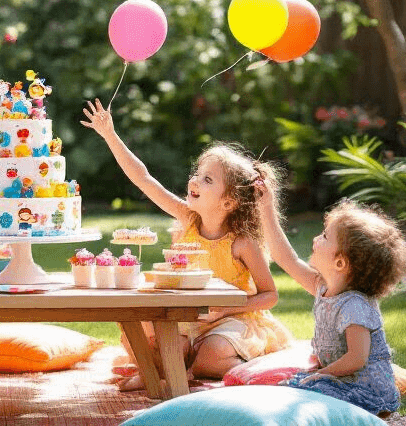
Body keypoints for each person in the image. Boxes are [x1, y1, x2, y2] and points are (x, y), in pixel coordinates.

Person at [81, 99, 292, 387]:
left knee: (211, 358)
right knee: (146, 338)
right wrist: (110, 135)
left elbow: (270, 295)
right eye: (198, 174)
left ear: (228, 201)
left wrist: (226, 310)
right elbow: (143, 179)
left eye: (207, 179)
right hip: (186, 318)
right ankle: (168, 370)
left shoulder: (242, 244)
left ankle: (199, 369)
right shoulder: (187, 219)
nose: (195, 180)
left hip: (231, 321)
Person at [256, 190, 406, 414]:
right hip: (338, 380)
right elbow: (285, 258)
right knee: (290, 391)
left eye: (325, 237)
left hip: (364, 390)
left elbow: (357, 358)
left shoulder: (354, 305)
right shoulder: (323, 287)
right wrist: (267, 208)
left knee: (298, 394)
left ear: (340, 263)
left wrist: (322, 374)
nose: (315, 239)